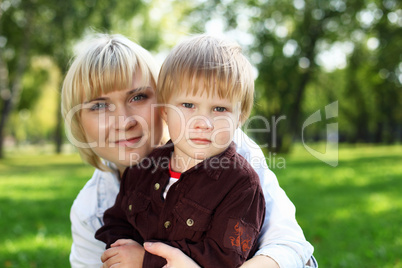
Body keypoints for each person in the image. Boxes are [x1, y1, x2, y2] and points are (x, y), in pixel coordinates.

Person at [61, 33, 317, 268]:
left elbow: (291, 249)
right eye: (99, 106)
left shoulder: (231, 153)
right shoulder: (90, 209)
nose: (124, 121)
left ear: (162, 101)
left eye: (138, 97)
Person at [95, 34, 266, 267]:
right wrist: (121, 250)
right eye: (188, 105)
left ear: (240, 117)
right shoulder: (144, 168)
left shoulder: (241, 185)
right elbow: (116, 220)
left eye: (219, 108)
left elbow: (225, 257)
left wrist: (146, 260)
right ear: (164, 111)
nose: (203, 122)